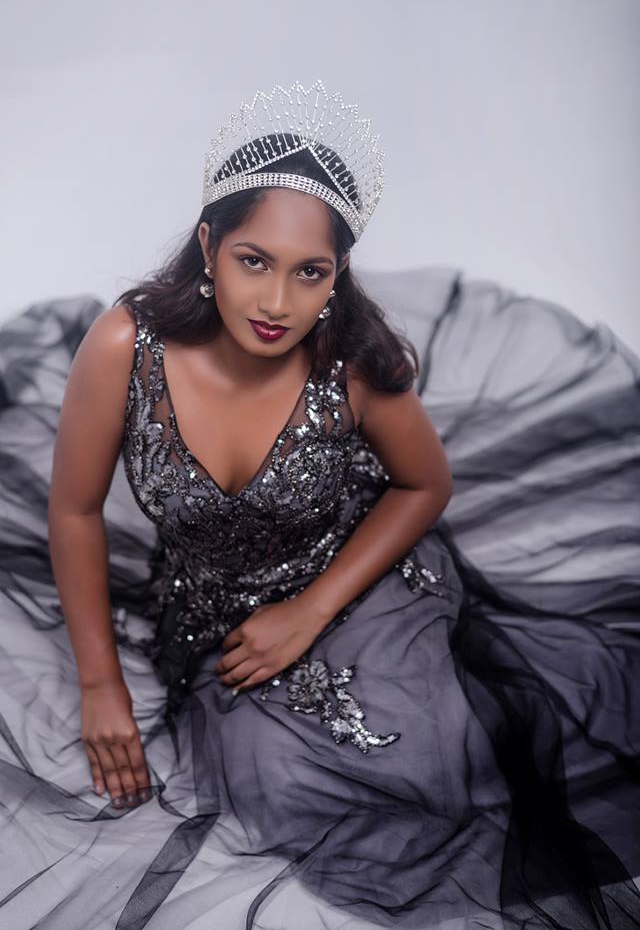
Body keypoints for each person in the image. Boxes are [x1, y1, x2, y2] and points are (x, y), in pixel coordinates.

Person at [0, 79, 638, 930]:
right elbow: (76, 511)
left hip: (355, 580)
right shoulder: (127, 345)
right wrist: (98, 683)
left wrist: (309, 610)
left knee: (442, 757)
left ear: (338, 275)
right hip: (209, 620)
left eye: (311, 272)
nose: (277, 303)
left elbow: (425, 485)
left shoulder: (351, 363)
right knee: (277, 786)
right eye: (253, 261)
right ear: (208, 244)